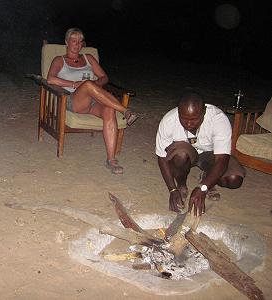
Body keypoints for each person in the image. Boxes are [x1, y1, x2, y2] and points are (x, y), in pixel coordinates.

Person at [47, 28, 138, 175]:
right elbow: (50, 79)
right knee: (88, 84)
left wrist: (95, 86)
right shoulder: (59, 60)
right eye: (73, 41)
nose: (77, 44)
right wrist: (76, 85)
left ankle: (111, 160)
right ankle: (125, 110)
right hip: (73, 100)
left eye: (79, 41)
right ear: (66, 42)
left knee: (108, 109)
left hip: (93, 101)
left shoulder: (89, 58)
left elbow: (104, 77)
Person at [155, 91, 245, 216]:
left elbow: (222, 160)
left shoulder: (218, 119)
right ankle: (181, 185)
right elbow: (162, 158)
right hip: (186, 153)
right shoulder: (169, 120)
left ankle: (207, 178)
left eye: (194, 119)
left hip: (212, 155)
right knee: (180, 155)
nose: (189, 124)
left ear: (204, 112)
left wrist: (203, 188)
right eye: (184, 119)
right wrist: (172, 189)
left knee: (234, 180)